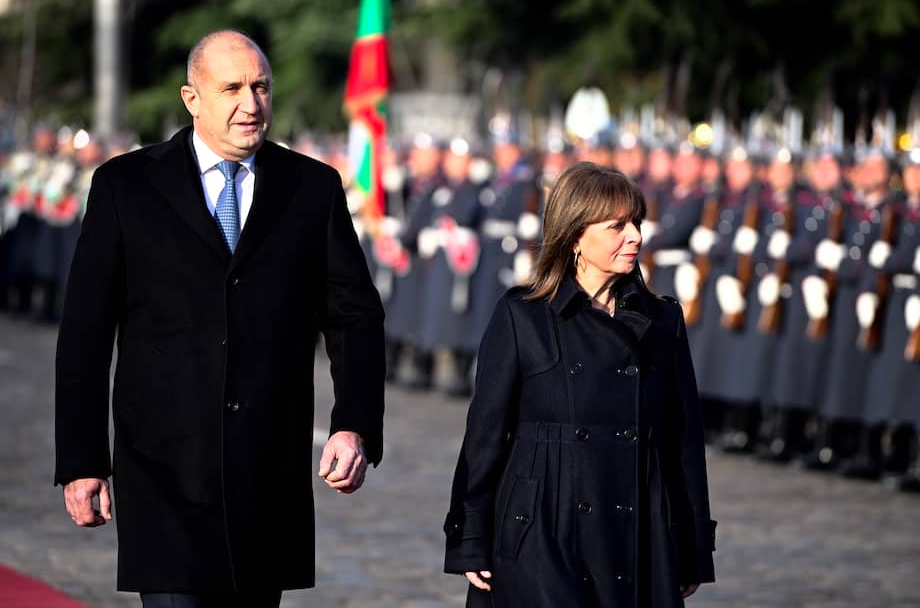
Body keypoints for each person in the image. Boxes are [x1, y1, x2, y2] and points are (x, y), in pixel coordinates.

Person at [54, 30, 385, 607]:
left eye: (260, 87)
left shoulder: (311, 188)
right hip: (164, 474)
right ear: (192, 98)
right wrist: (82, 461)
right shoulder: (125, 187)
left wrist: (353, 422)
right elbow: (85, 332)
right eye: (231, 88)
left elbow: (354, 316)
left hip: (267, 474)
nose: (250, 104)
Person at [443, 162, 716, 607]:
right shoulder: (523, 315)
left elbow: (682, 444)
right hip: (544, 528)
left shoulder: (663, 320)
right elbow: (485, 437)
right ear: (574, 237)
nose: (636, 237)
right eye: (617, 226)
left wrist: (691, 546)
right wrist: (470, 535)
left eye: (637, 224)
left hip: (638, 533)